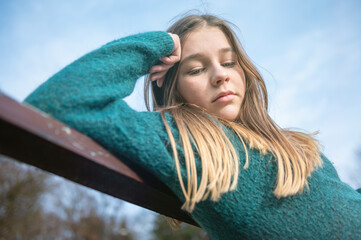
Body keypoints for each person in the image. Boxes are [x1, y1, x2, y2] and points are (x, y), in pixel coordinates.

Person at [24, 14, 360, 239]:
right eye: (196, 69)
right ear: (174, 87)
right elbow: (62, 101)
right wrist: (159, 44)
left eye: (229, 62)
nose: (220, 74)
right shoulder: (179, 140)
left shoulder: (300, 146)